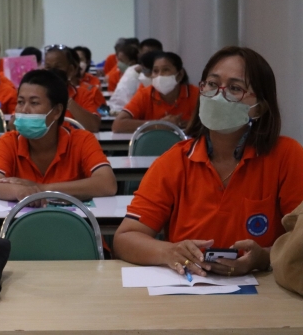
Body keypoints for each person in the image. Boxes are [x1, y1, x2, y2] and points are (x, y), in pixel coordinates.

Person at [114, 46, 303, 277]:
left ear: (259, 108)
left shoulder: (286, 156)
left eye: (235, 88)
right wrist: (169, 251)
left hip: (265, 289)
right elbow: (125, 238)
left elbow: (300, 239)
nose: (218, 95)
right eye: (212, 84)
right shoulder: (175, 161)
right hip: (189, 287)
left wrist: (263, 258)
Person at [0, 69, 116, 205]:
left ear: (57, 111)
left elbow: (107, 184)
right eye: (20, 102)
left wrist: (41, 189)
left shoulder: (82, 140)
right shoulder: (8, 141)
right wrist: (21, 192)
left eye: (34, 103)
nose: (24, 110)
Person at [112, 52, 198, 133]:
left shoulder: (196, 94)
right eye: (155, 71)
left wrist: (193, 125)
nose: (160, 75)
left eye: (166, 70)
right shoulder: (145, 94)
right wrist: (159, 124)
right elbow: (118, 125)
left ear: (180, 75)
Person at [43, 45, 101, 132]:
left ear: (71, 70)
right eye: (48, 67)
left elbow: (93, 127)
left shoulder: (83, 94)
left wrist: (65, 98)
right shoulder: (35, 95)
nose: (52, 71)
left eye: (58, 67)